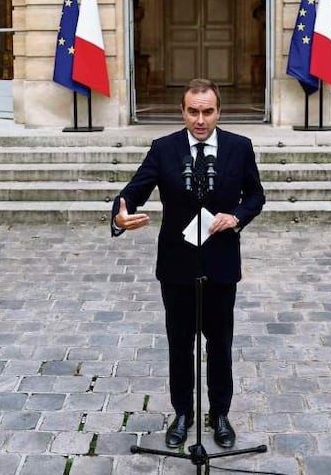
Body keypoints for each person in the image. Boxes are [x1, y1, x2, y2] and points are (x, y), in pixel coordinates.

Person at [111, 78, 265, 449]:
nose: (200, 119)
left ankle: (221, 414)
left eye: (207, 111)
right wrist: (119, 216)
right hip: (177, 266)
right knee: (180, 345)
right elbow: (132, 193)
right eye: (193, 111)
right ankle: (183, 413)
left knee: (221, 344)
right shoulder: (163, 149)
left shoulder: (239, 147)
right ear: (183, 111)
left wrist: (237, 216)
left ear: (218, 112)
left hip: (221, 264)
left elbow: (256, 194)